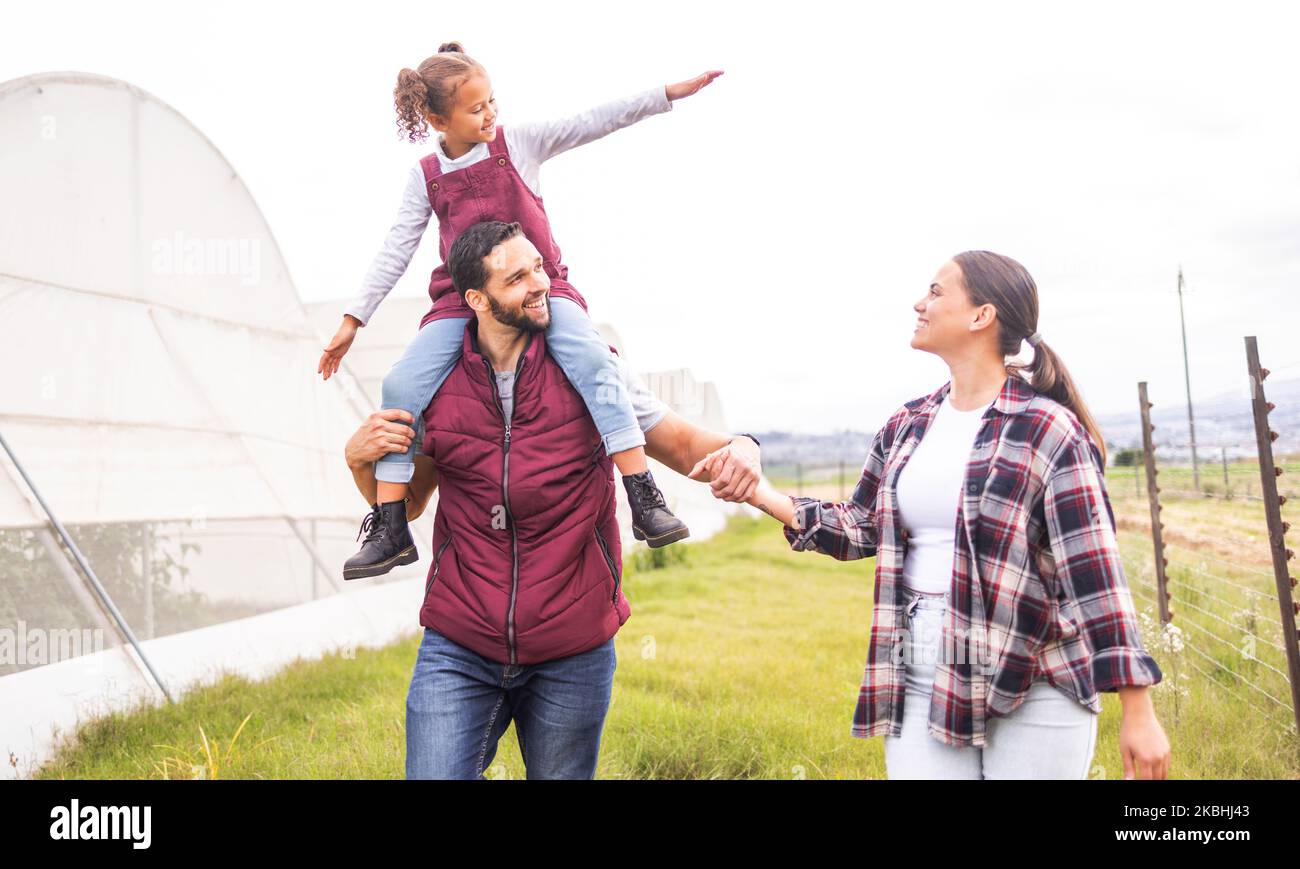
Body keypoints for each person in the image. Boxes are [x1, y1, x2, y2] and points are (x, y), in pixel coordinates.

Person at [709, 251, 1171, 780]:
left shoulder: (1049, 430)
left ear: (981, 316)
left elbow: (1094, 572)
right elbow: (863, 526)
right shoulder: (908, 424)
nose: (918, 303)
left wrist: (1138, 708)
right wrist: (763, 494)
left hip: (1034, 676)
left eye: (935, 292)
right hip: (922, 666)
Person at [344, 220, 761, 778]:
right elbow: (411, 500)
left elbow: (685, 446)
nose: (541, 283)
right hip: (460, 643)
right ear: (477, 299)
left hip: (574, 646)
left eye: (539, 267)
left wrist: (745, 446)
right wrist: (357, 460)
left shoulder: (592, 373)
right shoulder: (436, 384)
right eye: (518, 277)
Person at [322, 41, 726, 578]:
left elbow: (593, 121)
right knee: (400, 386)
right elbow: (398, 246)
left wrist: (666, 94)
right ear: (438, 118)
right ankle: (391, 524)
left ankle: (644, 496)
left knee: (594, 364)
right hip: (460, 300)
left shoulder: (520, 144)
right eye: (476, 107)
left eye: (492, 100)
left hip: (541, 289)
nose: (490, 112)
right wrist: (354, 320)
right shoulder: (426, 175)